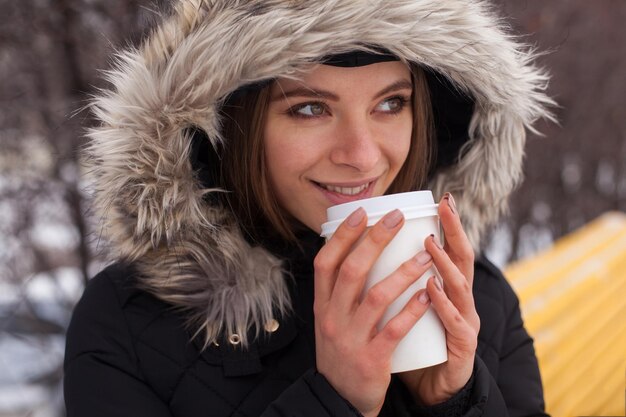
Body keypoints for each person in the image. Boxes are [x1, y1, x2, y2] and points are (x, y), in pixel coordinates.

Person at [64, 1, 554, 416]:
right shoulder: (126, 323)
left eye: (390, 104)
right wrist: (333, 401)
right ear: (232, 126)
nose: (361, 155)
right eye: (310, 108)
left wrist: (456, 400)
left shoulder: (479, 300)